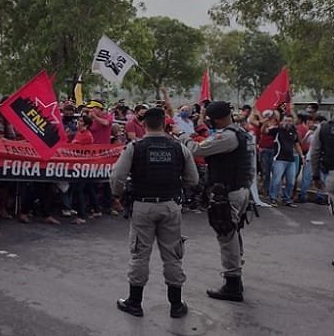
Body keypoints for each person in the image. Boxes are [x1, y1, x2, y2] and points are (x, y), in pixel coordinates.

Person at [111, 108, 198, 318]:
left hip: (143, 205)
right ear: (165, 124)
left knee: (140, 254)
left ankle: (135, 302)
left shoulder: (135, 147)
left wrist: (118, 195)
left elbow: (117, 177)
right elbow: (193, 179)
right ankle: (176, 305)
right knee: (173, 256)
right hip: (170, 205)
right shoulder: (179, 148)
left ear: (144, 124)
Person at [177, 101, 253, 302]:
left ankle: (233, 283)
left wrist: (181, 135)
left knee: (226, 235)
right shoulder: (240, 132)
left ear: (216, 119)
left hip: (228, 192)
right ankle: (236, 274)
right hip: (240, 189)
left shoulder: (227, 137)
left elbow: (197, 150)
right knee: (233, 233)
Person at [267, 114, 304, 207]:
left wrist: (302, 155)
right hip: (279, 159)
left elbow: (296, 144)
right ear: (282, 121)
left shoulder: (293, 131)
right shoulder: (277, 130)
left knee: (291, 181)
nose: (288, 122)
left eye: (290, 121)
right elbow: (265, 131)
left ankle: (287, 199)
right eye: (286, 120)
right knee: (276, 180)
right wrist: (265, 122)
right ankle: (273, 198)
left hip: (290, 159)